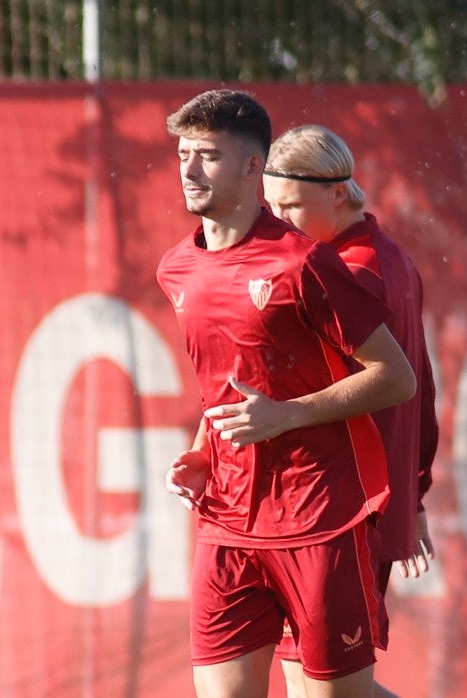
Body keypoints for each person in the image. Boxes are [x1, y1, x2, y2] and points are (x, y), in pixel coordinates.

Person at [157, 88, 417, 697]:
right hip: (224, 525)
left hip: (317, 521)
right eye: (183, 154)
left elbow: (396, 377)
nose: (190, 170)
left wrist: (284, 417)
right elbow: (224, 380)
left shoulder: (304, 263)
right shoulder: (175, 267)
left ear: (254, 168)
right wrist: (201, 452)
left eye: (208, 156)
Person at [262, 124, 440, 698]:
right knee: (317, 687)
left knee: (324, 689)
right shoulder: (394, 259)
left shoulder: (346, 273)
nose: (278, 223)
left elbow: (399, 387)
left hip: (339, 512)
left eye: (291, 206)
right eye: (270, 206)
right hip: (362, 503)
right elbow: (424, 390)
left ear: (339, 192)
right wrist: (412, 494)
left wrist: (406, 497)